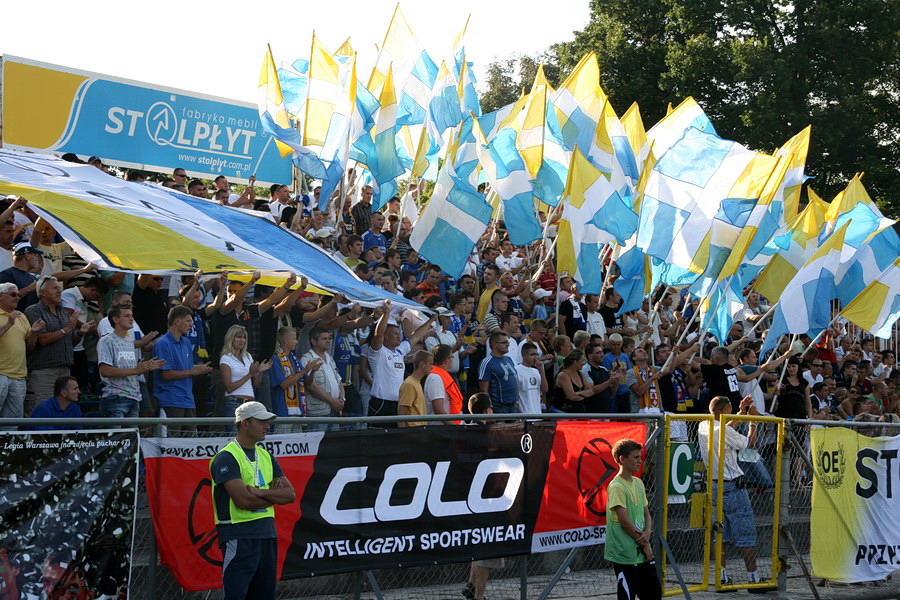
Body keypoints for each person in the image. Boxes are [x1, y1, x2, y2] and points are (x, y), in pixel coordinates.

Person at [210, 401, 295, 600]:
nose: (267, 426)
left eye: (268, 421)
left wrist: (260, 493)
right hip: (238, 534)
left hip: (266, 534)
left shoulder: (265, 455)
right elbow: (244, 501)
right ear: (244, 423)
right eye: (262, 421)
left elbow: (290, 495)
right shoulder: (226, 457)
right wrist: (274, 497)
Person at [698, 395, 772, 591]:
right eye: (730, 410)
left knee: (720, 533)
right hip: (732, 485)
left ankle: (722, 577)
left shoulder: (705, 425)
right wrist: (753, 422)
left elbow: (725, 428)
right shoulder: (722, 430)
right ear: (723, 412)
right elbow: (750, 443)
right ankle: (754, 578)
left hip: (713, 485)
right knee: (745, 532)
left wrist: (742, 411)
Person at [605, 439, 661, 600]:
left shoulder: (638, 482)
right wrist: (645, 545)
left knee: (653, 593)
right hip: (626, 553)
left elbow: (646, 513)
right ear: (622, 459)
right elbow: (625, 522)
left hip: (642, 550)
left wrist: (648, 533)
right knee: (627, 594)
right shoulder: (616, 486)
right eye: (636, 457)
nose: (640, 460)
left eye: (640, 457)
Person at [24, 276, 88, 417]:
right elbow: (41, 340)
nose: (59, 291)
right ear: (42, 293)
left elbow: (69, 343)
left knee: (62, 414)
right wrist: (67, 328)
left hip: (65, 371)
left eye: (60, 288)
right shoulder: (33, 311)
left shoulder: (63, 312)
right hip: (43, 372)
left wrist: (80, 334)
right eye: (55, 288)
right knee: (40, 413)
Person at [97, 306, 165, 420]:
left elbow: (130, 372)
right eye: (127, 316)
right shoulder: (106, 341)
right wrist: (136, 370)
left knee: (131, 436)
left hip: (134, 398)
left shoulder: (129, 342)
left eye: (132, 315)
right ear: (115, 319)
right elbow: (105, 370)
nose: (131, 319)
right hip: (115, 398)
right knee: (117, 437)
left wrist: (145, 368)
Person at [153, 306, 213, 430]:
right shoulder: (162, 343)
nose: (191, 325)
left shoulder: (186, 342)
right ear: (177, 321)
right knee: (171, 444)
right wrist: (193, 371)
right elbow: (166, 374)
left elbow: (185, 368)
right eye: (188, 321)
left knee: (190, 443)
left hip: (188, 400)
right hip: (170, 400)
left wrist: (199, 368)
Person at [0, 283, 43, 426]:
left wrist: (34, 333)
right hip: (0, 374)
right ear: (1, 296)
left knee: (13, 422)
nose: (17, 297)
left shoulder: (21, 316)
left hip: (19, 376)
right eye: (13, 294)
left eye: (18, 294)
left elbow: (30, 347)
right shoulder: (14, 318)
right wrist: (9, 323)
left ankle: (8, 448)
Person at [270, 326, 321, 431]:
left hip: (298, 410)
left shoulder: (294, 359)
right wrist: (304, 371)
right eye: (294, 338)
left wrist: (313, 371)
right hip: (283, 411)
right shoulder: (275, 359)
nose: (297, 342)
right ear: (286, 341)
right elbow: (283, 384)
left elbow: (307, 382)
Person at [220, 324, 273, 425]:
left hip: (250, 403)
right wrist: (249, 374)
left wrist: (258, 371)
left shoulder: (247, 356)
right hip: (234, 402)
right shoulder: (226, 358)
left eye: (244, 338)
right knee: (234, 436)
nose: (242, 340)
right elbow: (229, 388)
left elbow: (256, 384)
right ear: (231, 338)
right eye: (238, 337)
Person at [302, 326, 345, 431]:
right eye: (324, 338)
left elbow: (339, 381)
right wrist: (332, 401)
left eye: (329, 338)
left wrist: (342, 399)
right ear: (313, 341)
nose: (328, 341)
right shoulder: (306, 359)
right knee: (318, 445)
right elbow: (311, 386)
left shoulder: (329, 358)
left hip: (334, 411)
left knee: (333, 444)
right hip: (318, 413)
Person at [478, 331, 519, 414]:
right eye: (504, 342)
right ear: (495, 344)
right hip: (499, 407)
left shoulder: (508, 359)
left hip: (513, 406)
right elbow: (483, 390)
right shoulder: (486, 363)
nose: (508, 344)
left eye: (508, 342)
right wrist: (489, 408)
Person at [398, 350, 434, 427]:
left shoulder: (416, 382)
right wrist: (402, 436)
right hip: (413, 432)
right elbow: (402, 413)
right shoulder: (409, 384)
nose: (432, 367)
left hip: (418, 430)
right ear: (422, 364)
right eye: (430, 364)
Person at [516, 342, 547, 414]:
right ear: (523, 355)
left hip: (538, 414)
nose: (535, 357)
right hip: (525, 415)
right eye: (532, 355)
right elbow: (514, 397)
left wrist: (542, 371)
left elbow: (545, 389)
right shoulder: (517, 371)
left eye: (537, 354)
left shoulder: (536, 371)